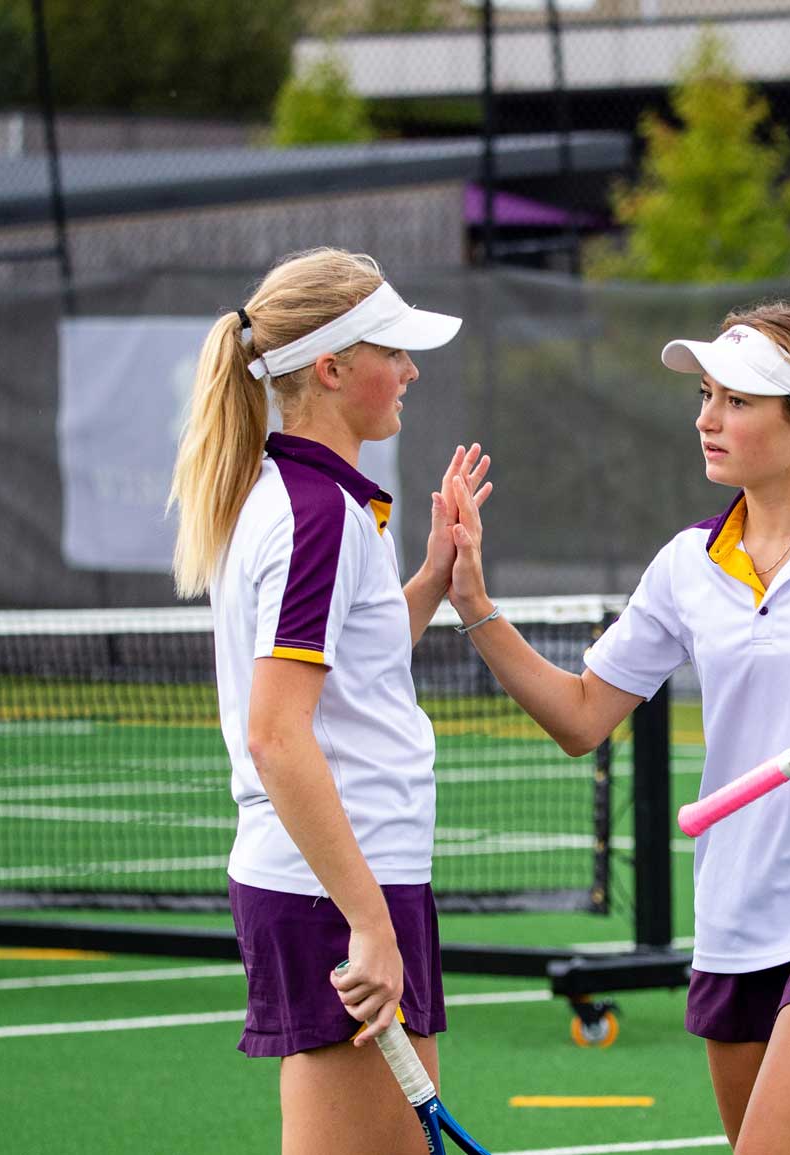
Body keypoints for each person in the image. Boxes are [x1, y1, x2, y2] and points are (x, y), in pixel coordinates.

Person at [441, 302, 790, 1154]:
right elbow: (579, 718)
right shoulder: (686, 566)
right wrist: (474, 605)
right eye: (707, 396)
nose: (706, 418)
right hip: (734, 916)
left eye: (737, 400)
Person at [168, 247, 491, 1154]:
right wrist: (367, 920)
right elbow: (277, 736)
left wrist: (433, 574)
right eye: (394, 349)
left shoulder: (318, 504)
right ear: (332, 368)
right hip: (334, 891)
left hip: (349, 879)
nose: (411, 370)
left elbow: (357, 661)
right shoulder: (312, 515)